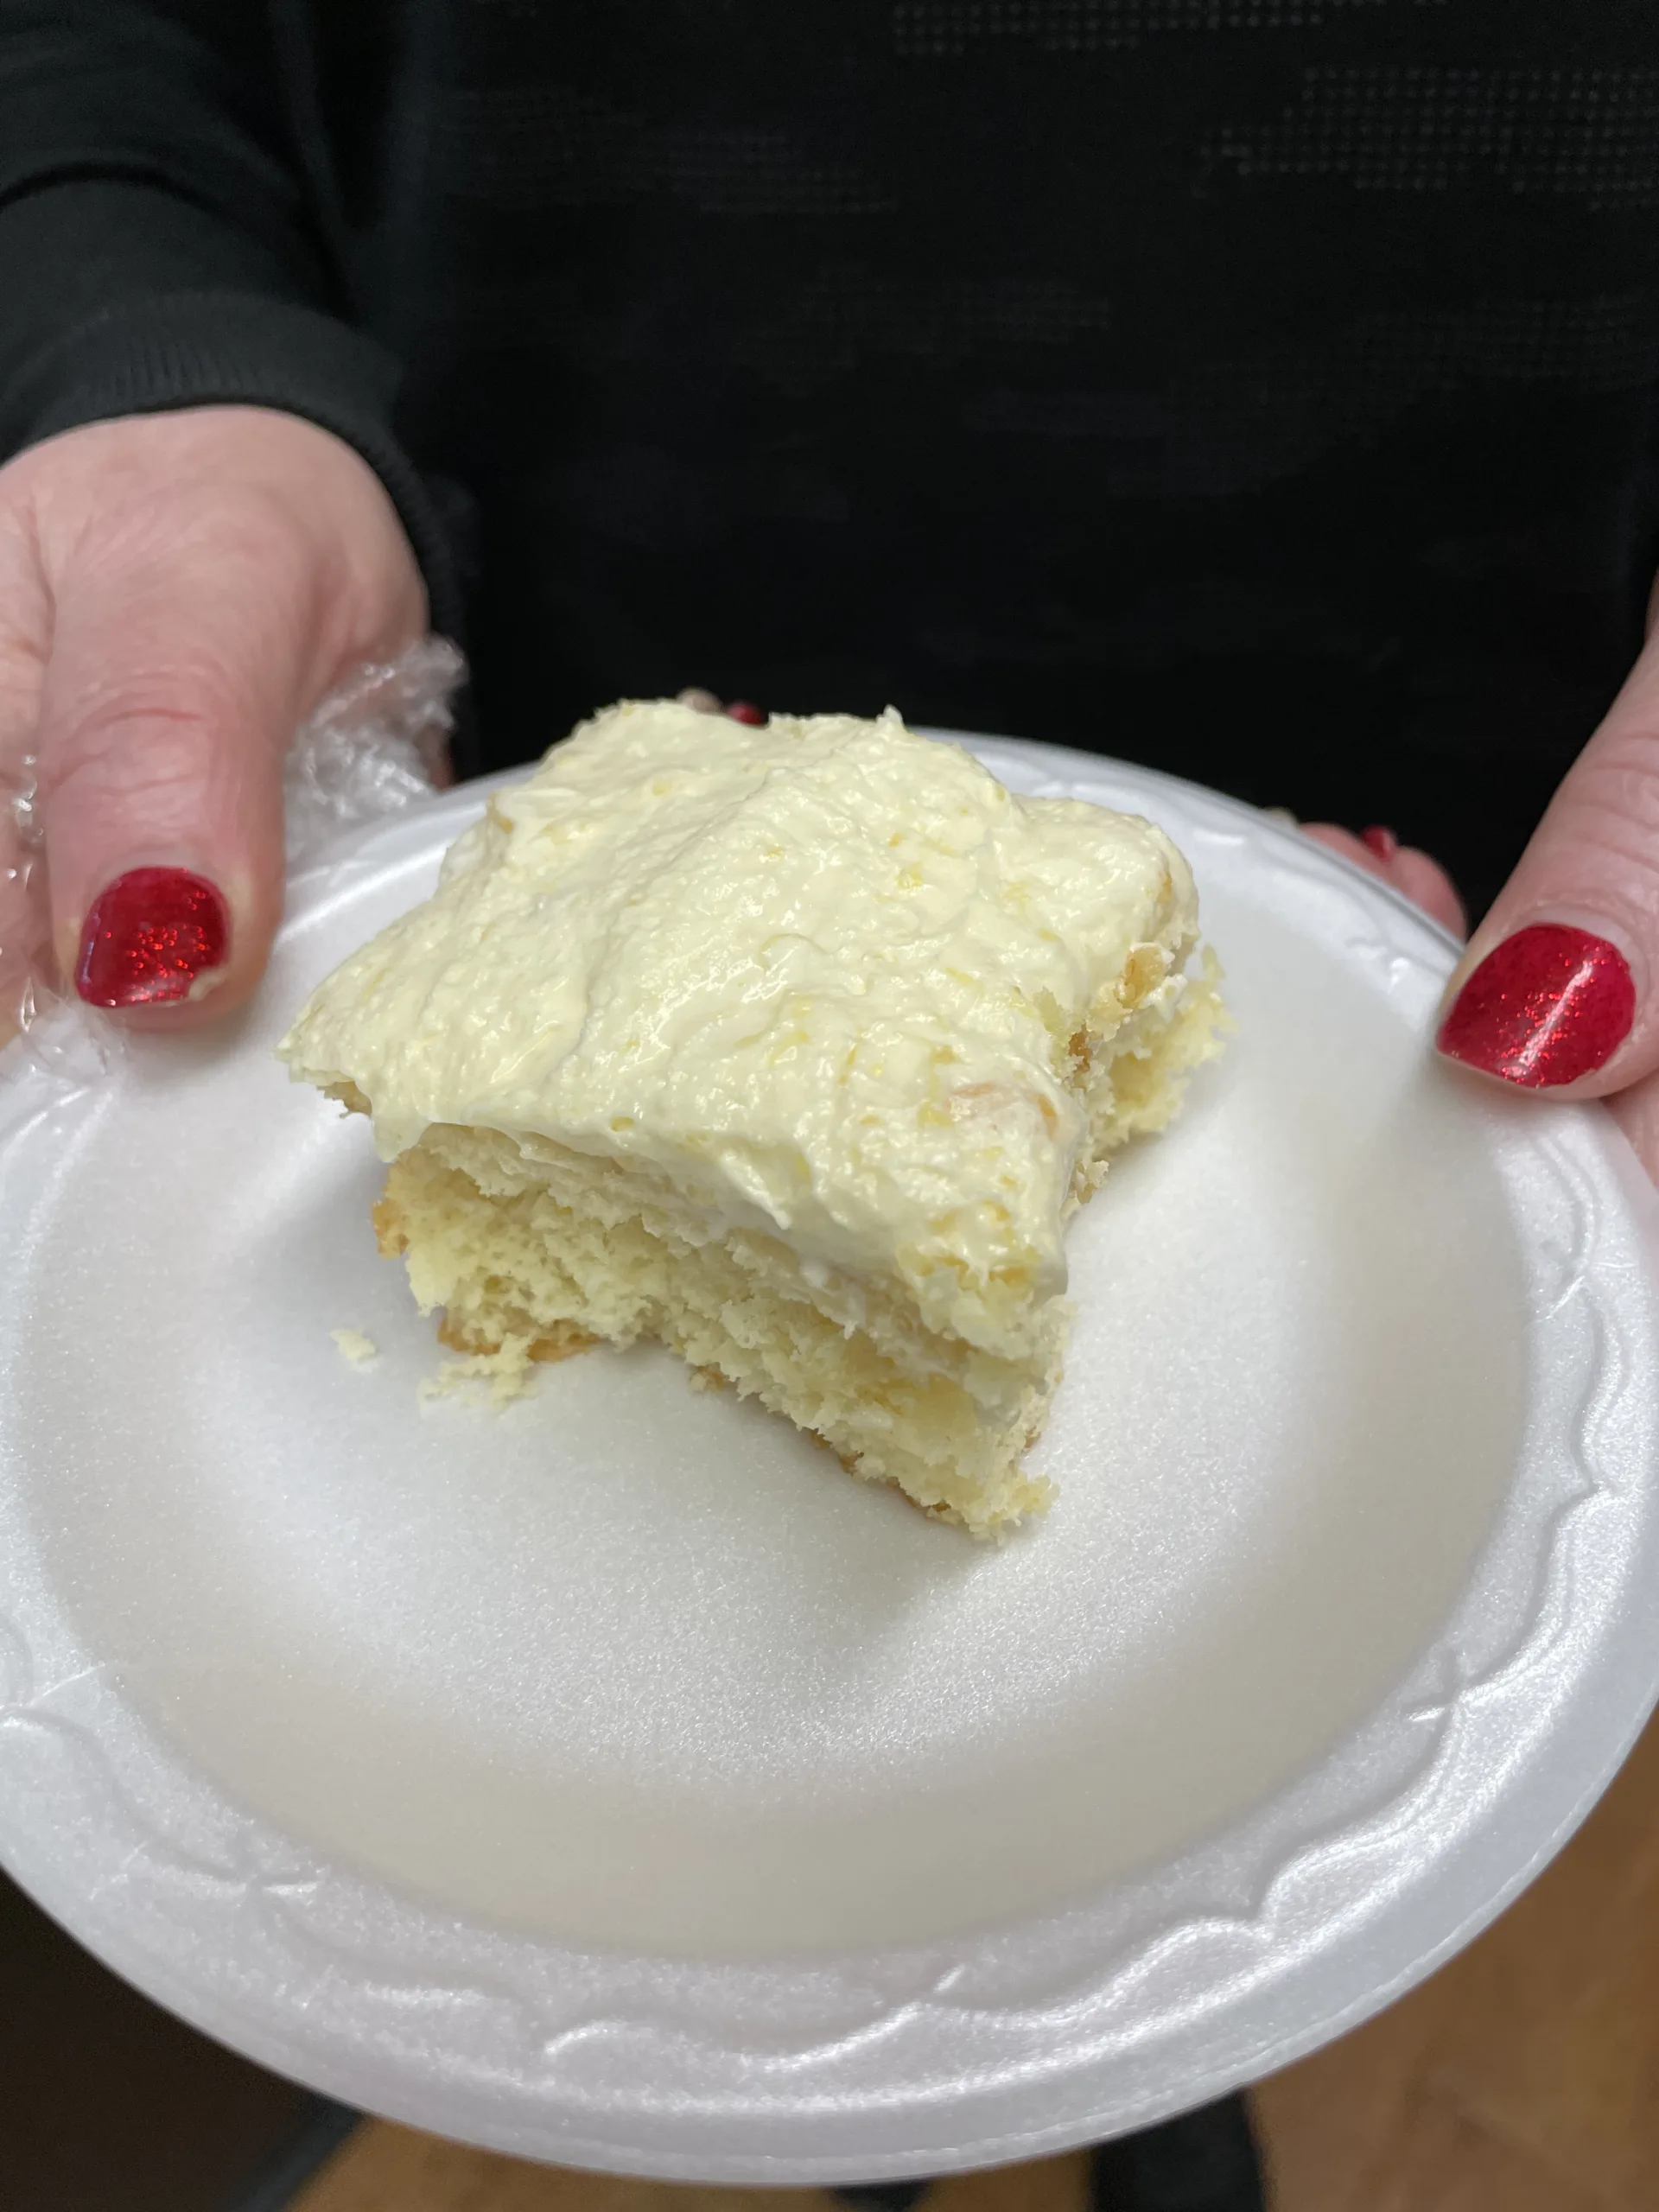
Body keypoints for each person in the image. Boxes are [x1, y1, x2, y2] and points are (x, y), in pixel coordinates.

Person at [1, 6, 1656, 2208]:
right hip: (536, 687)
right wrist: (151, 349)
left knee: (1204, 1780)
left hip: (1449, 794)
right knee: (831, 1945)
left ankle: (1146, 2087)